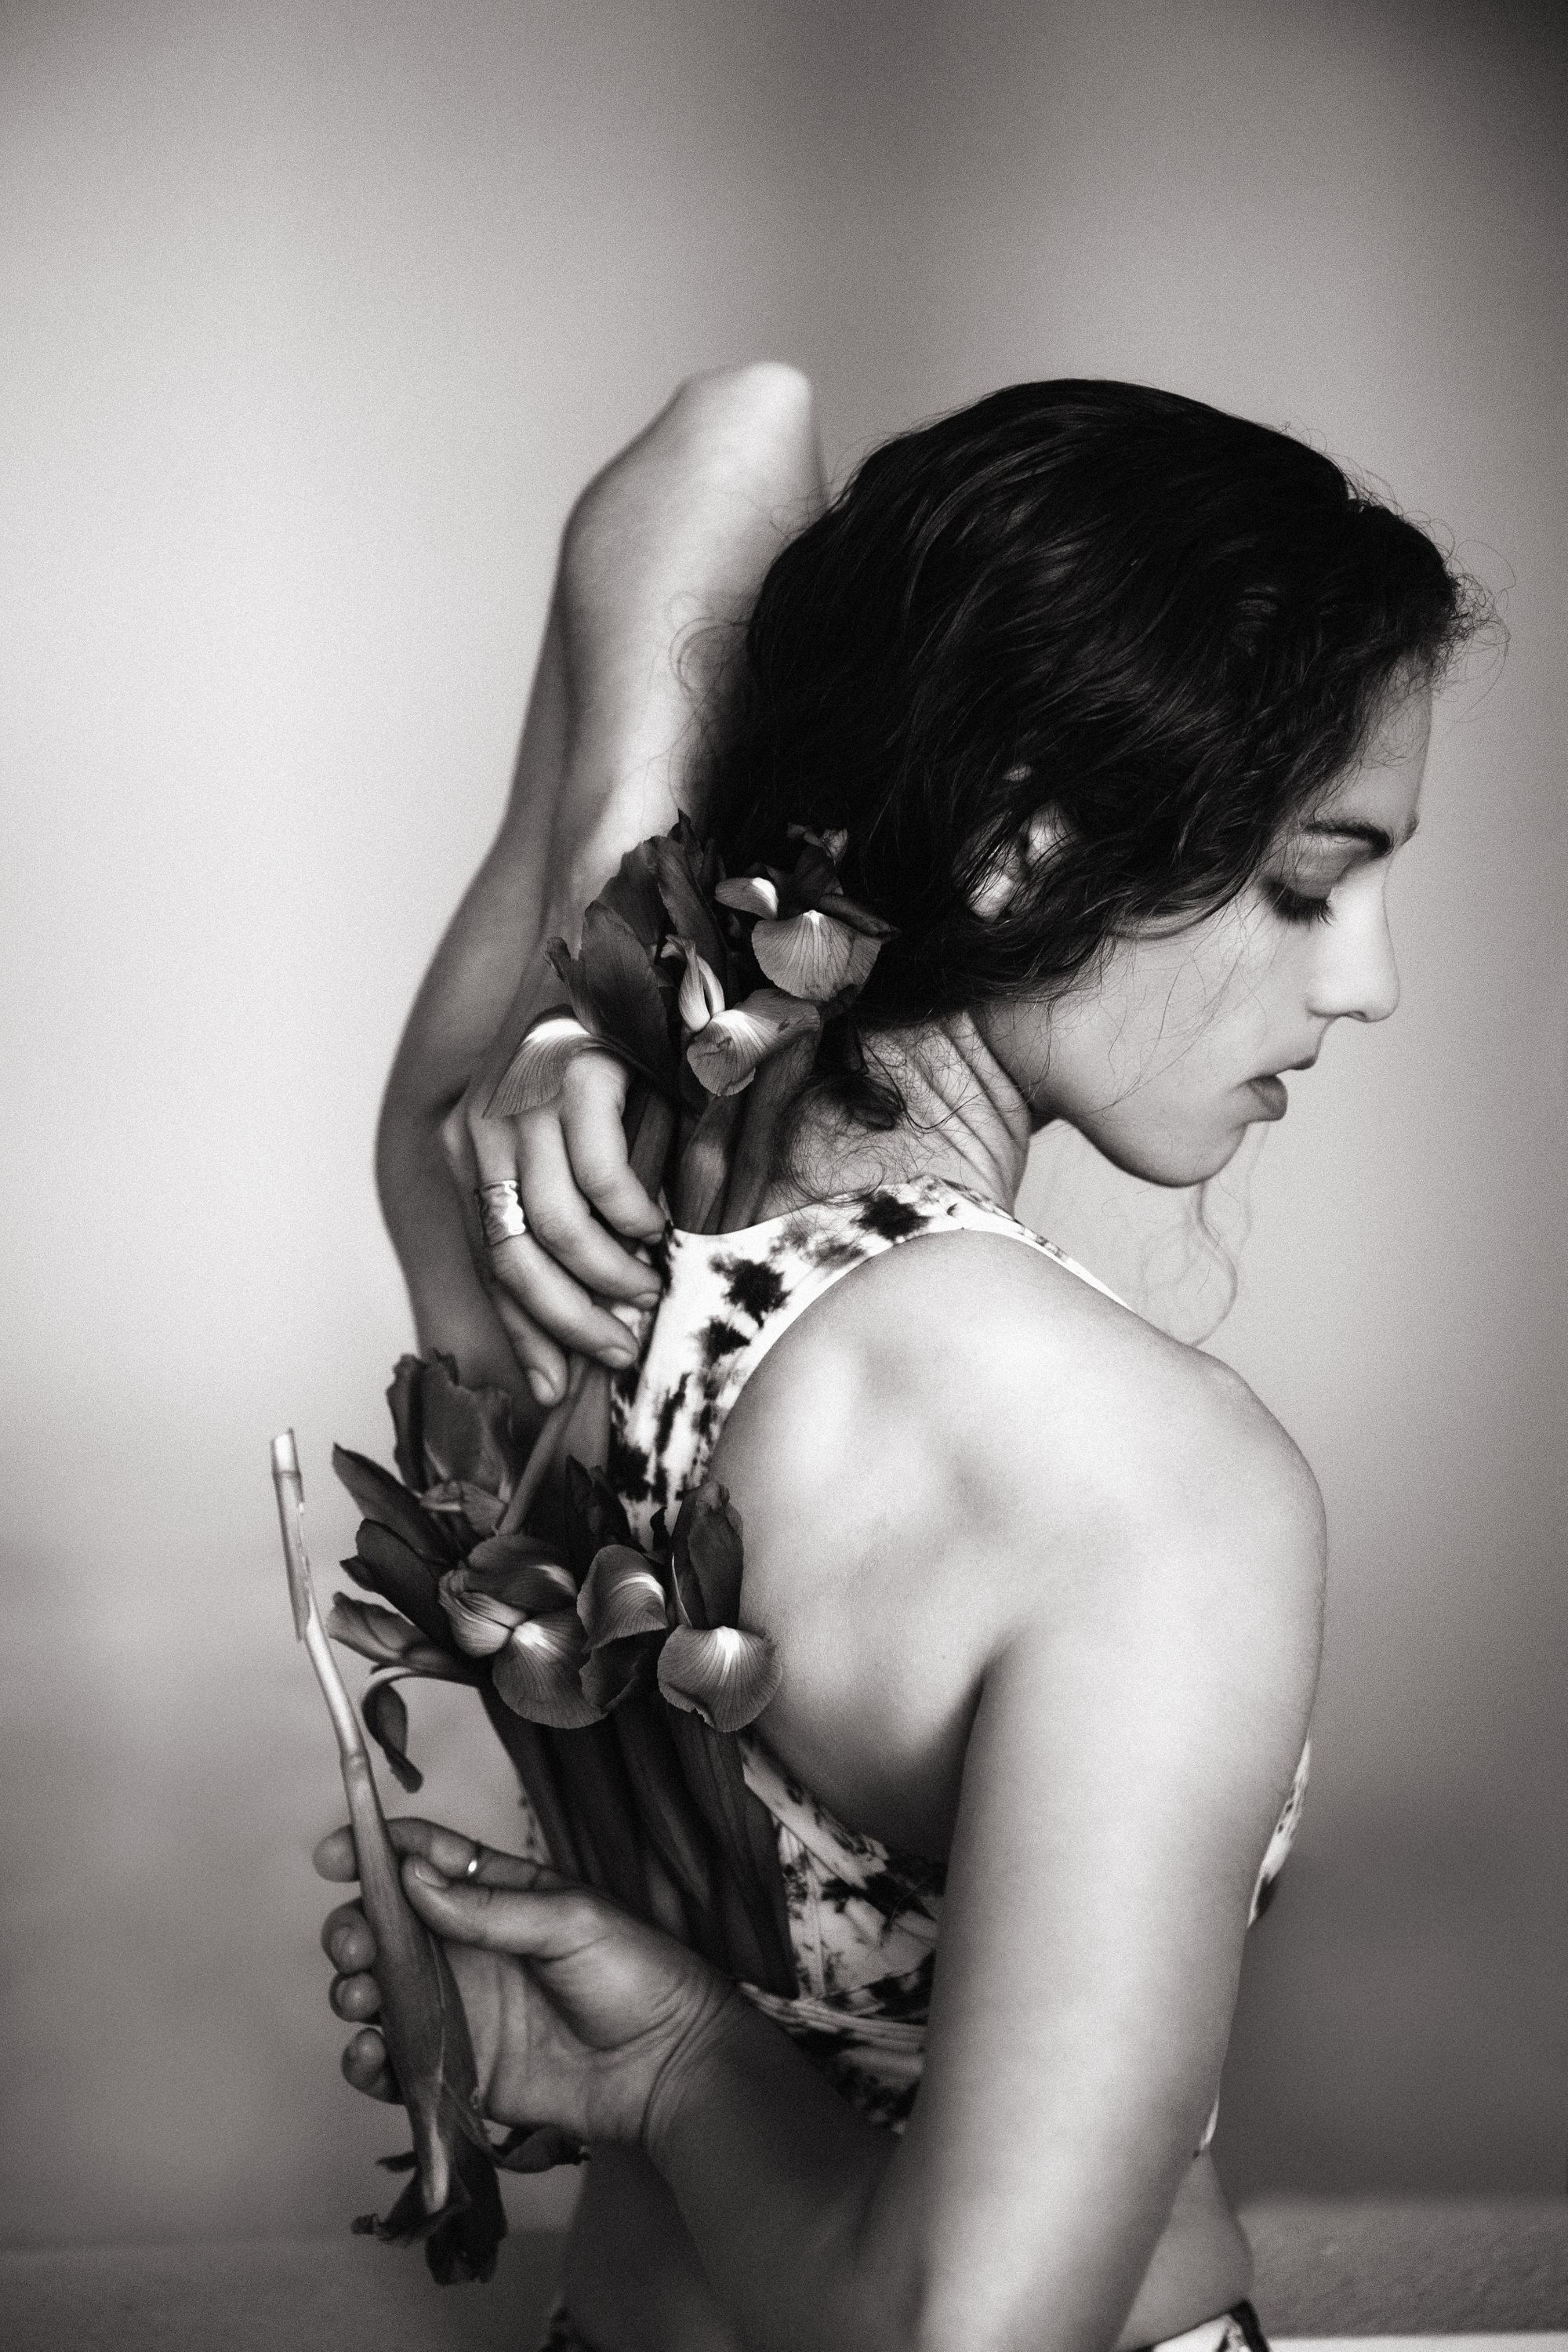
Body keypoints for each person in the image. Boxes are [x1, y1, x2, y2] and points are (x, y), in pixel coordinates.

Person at [315, 366, 1476, 2352]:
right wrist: (676, 2063)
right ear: (1021, 846)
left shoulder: (537, 1247)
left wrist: (603, 953)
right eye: (1309, 879)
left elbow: (729, 428)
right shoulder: (1144, 1482)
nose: (1363, 979)